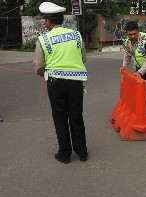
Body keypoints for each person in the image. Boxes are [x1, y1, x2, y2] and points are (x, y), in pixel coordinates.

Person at [33, 2, 88, 164]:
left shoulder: (43, 39)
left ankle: (65, 154)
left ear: (48, 21)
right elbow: (83, 58)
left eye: (45, 20)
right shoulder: (77, 35)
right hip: (76, 82)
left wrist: (45, 73)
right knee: (76, 116)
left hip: (56, 83)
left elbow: (38, 66)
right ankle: (82, 152)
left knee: (60, 117)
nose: (45, 23)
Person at [120, 21, 146, 124]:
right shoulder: (126, 42)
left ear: (138, 31)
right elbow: (128, 55)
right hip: (140, 66)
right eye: (130, 34)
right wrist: (124, 67)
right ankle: (144, 113)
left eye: (134, 34)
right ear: (126, 33)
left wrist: (139, 73)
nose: (133, 36)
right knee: (141, 91)